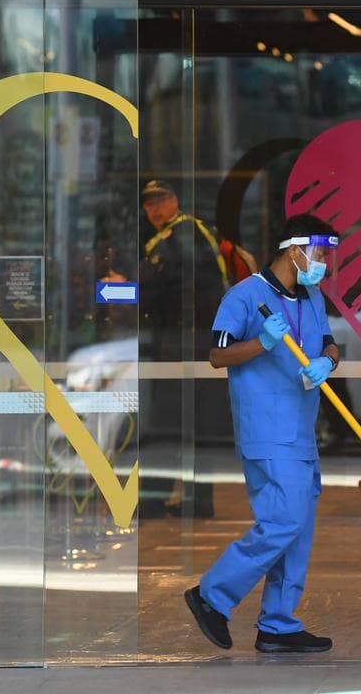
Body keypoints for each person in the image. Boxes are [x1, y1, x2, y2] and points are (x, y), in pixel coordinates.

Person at [185, 214, 341, 654]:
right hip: (266, 429)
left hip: (301, 428)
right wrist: (263, 344)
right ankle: (211, 595)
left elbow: (328, 343)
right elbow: (217, 355)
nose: (324, 262)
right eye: (320, 253)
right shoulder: (245, 296)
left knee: (299, 527)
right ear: (295, 250)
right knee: (283, 522)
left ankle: (278, 624)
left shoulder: (311, 297)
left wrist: (327, 362)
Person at [136, 180, 229, 518]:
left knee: (170, 421)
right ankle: (193, 500)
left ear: (174, 201)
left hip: (187, 339)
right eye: (148, 205)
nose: (154, 209)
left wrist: (121, 289)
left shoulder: (183, 234)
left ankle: (159, 498)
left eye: (160, 201)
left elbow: (159, 286)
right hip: (187, 338)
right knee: (190, 423)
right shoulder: (183, 234)